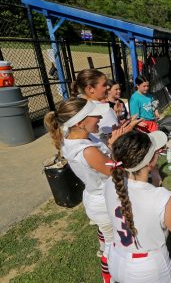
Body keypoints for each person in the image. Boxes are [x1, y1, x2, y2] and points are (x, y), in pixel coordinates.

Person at [44, 98, 129, 282]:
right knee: (113, 246)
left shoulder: (71, 134)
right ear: (80, 122)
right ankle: (110, 279)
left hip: (98, 195)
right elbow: (115, 170)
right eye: (94, 115)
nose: (100, 117)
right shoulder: (87, 150)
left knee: (113, 242)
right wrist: (116, 144)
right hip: (105, 202)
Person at [104, 130, 171, 283]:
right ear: (149, 162)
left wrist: (154, 176)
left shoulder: (111, 183)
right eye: (155, 150)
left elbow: (141, 196)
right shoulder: (162, 197)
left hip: (116, 258)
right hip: (146, 269)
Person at [71, 69, 121, 142]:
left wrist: (117, 115)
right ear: (90, 89)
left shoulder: (75, 104)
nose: (107, 87)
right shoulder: (102, 109)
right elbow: (116, 138)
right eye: (104, 85)